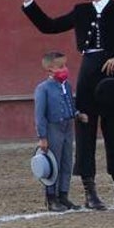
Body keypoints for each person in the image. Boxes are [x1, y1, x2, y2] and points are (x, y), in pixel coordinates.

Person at [17, 0, 114, 211]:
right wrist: (29, 3)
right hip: (89, 74)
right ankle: (90, 193)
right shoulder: (81, 11)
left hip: (113, 78)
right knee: (85, 133)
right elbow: (49, 26)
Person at [34, 51, 80, 212]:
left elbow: (70, 106)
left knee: (67, 162)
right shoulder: (42, 88)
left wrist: (78, 114)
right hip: (53, 127)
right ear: (49, 70)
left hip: (68, 126)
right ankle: (51, 197)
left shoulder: (66, 85)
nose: (65, 69)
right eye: (61, 66)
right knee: (53, 164)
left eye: (65, 65)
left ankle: (63, 195)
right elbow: (40, 115)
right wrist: (42, 137)